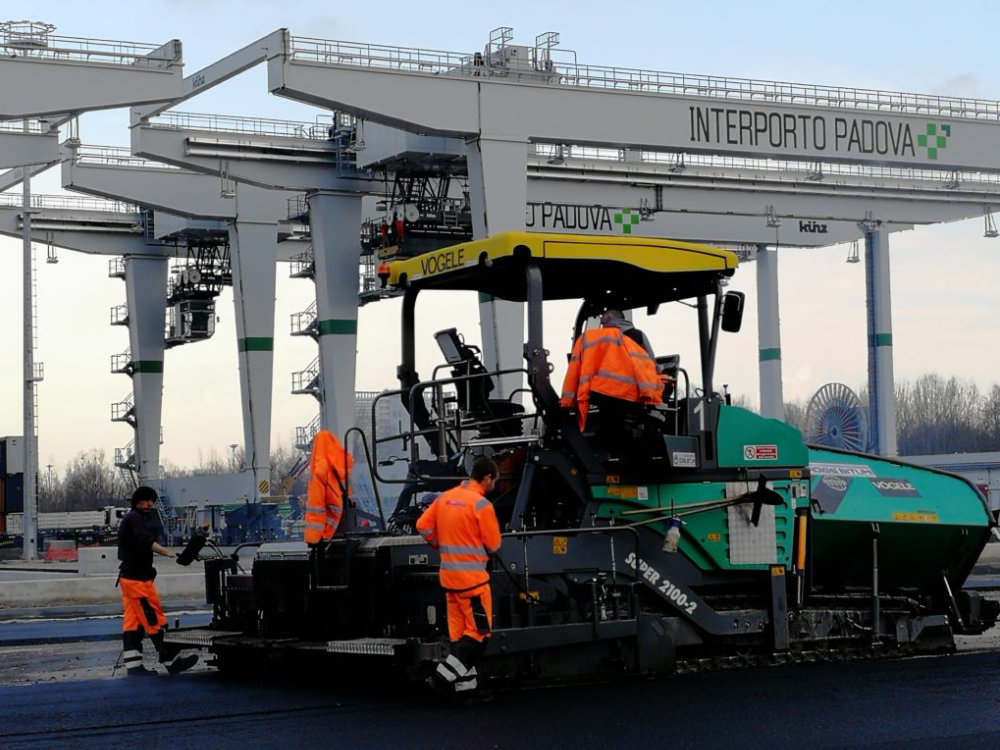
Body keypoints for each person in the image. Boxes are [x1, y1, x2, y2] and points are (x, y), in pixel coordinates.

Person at [416, 456, 502, 694]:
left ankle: (465, 688)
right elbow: (494, 545)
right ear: (486, 478)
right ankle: (440, 680)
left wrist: (438, 543)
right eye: (494, 481)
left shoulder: (446, 498)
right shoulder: (481, 505)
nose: (494, 486)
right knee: (479, 635)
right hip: (473, 584)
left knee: (459, 637)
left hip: (450, 581)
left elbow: (422, 525)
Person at [118, 485, 199, 677]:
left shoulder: (131, 518)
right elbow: (146, 541)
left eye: (152, 501)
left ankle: (134, 667)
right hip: (138, 581)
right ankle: (171, 661)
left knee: (133, 624)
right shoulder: (135, 518)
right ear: (139, 501)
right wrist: (168, 552)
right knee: (155, 619)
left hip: (129, 579)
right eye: (148, 501)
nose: (151, 504)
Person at [560, 309, 664, 429]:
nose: (600, 318)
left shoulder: (596, 338)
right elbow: (651, 363)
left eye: (601, 315)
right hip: (632, 392)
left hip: (602, 390)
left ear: (609, 316)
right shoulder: (638, 335)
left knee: (609, 424)